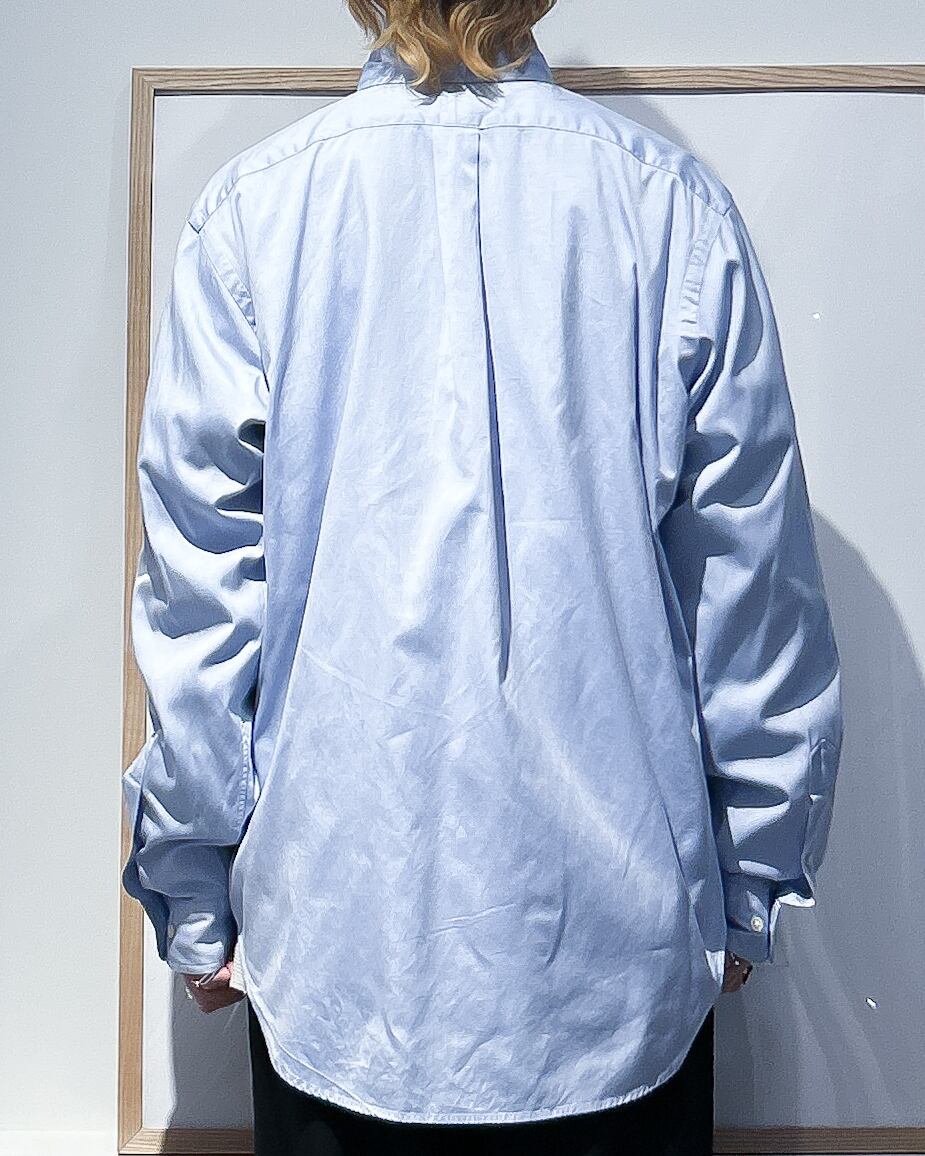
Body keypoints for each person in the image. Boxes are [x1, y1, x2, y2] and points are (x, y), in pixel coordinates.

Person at [120, 2, 844, 1153]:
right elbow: (752, 599)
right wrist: (754, 876)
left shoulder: (250, 217)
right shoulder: (673, 210)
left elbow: (202, 610)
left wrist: (194, 891)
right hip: (617, 975)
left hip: (340, 973)